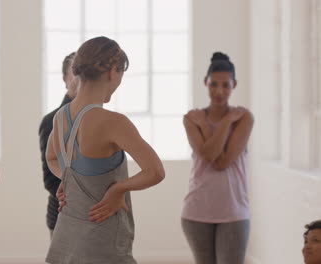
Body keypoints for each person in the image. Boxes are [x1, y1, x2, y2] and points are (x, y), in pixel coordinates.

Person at [45, 36, 165, 263]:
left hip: (68, 238)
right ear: (112, 72)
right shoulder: (112, 122)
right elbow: (156, 171)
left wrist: (68, 178)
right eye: (121, 75)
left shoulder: (60, 117)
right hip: (102, 242)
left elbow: (51, 158)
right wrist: (118, 189)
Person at [181, 52, 254, 264]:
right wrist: (216, 124)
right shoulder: (191, 119)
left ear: (235, 85)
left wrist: (222, 122)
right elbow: (209, 154)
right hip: (196, 211)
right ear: (205, 82)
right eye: (213, 84)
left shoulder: (243, 118)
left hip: (234, 212)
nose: (219, 91)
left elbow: (222, 162)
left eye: (225, 85)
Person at [39, 52, 78, 238]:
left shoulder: (101, 118)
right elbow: (50, 179)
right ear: (65, 78)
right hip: (65, 216)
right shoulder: (52, 121)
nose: (81, 79)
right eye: (75, 73)